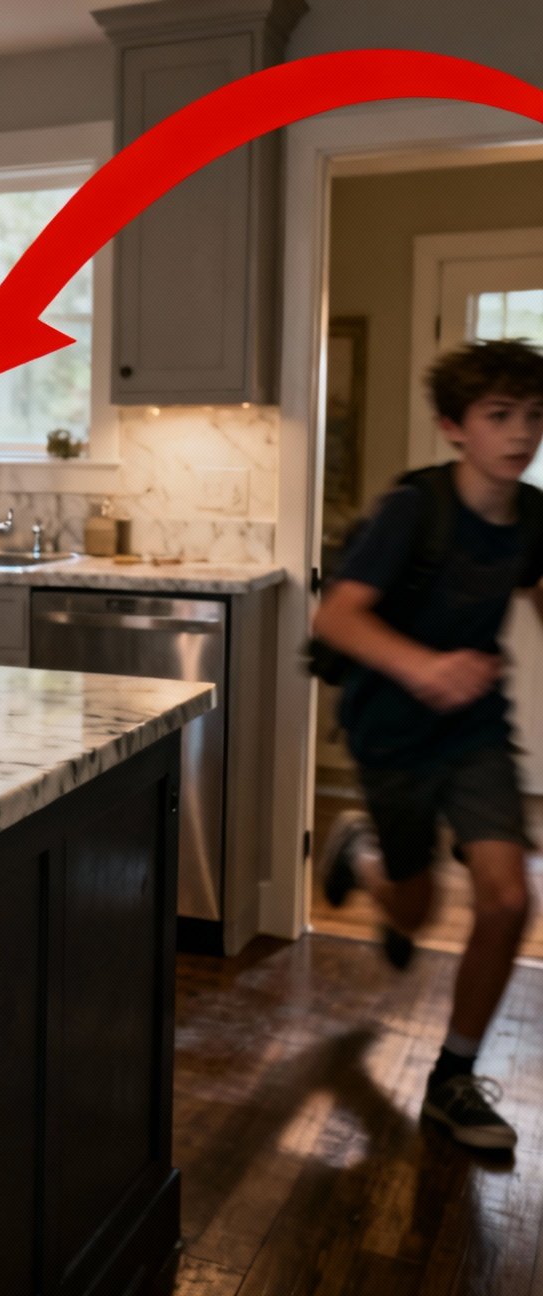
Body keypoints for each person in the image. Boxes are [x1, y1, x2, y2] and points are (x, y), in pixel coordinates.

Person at [314, 338, 543, 1152]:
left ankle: (454, 1078)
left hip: (476, 730)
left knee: (509, 899)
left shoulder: (535, 515)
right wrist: (427, 667)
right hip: (391, 732)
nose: (521, 434)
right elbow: (335, 617)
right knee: (417, 909)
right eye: (499, 415)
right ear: (454, 426)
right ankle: (362, 857)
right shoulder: (416, 508)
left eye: (534, 416)